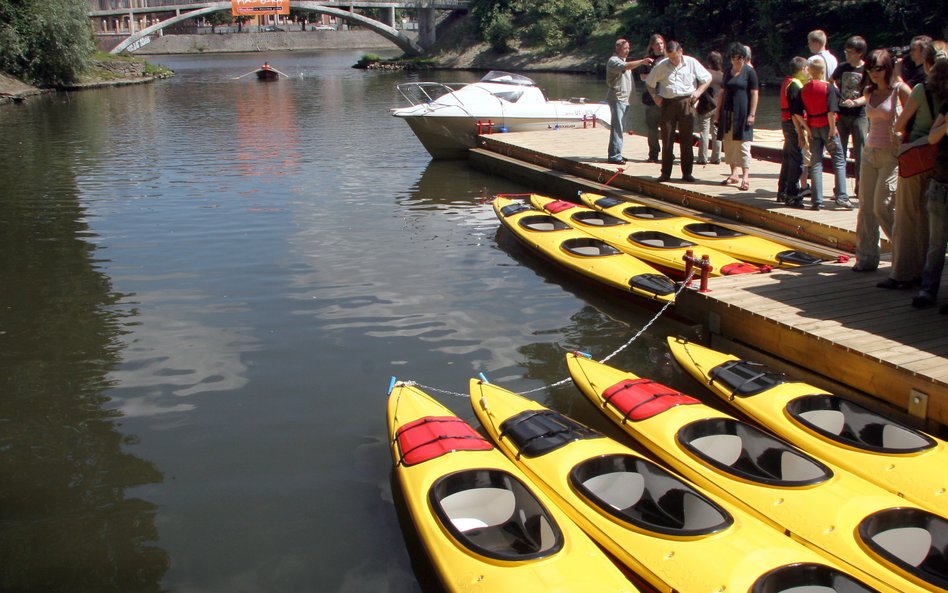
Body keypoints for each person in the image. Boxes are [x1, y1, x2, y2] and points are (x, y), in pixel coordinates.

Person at [879, 41, 946, 290]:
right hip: (940, 160)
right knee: (931, 220)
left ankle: (902, 273)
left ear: (927, 64)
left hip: (917, 157)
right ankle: (926, 273)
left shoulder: (922, 89)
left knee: (907, 216)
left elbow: (900, 125)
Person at [851, 49, 911, 272]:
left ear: (887, 68)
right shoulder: (868, 91)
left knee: (882, 206)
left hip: (891, 155)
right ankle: (866, 258)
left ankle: (906, 252)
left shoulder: (900, 90)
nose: (874, 73)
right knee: (865, 206)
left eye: (878, 68)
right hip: (870, 152)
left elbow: (914, 118)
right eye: (870, 69)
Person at [645, 40, 711, 183]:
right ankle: (665, 173)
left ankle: (687, 173)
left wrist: (698, 92)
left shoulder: (691, 62)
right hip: (668, 103)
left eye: (675, 57)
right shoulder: (662, 65)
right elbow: (649, 83)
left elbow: (707, 78)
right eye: (670, 57)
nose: (673, 60)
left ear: (681, 51)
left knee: (687, 139)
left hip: (687, 101)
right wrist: (655, 96)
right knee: (667, 138)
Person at [792, 56, 853, 210]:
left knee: (816, 163)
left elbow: (796, 113)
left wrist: (806, 127)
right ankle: (841, 196)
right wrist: (833, 130)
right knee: (838, 160)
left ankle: (816, 199)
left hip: (813, 128)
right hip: (827, 127)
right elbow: (832, 112)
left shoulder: (804, 89)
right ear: (823, 72)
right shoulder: (828, 88)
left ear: (810, 72)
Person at [717, 43, 759, 191]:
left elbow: (754, 93)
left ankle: (745, 176)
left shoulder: (749, 72)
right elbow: (722, 92)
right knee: (728, 144)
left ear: (744, 58)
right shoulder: (727, 71)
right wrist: (717, 113)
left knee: (743, 145)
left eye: (739, 58)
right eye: (733, 58)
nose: (736, 61)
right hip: (727, 113)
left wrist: (752, 113)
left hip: (743, 113)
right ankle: (734, 174)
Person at [605, 38, 654, 164]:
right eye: (625, 48)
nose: (627, 50)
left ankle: (616, 152)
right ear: (617, 48)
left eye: (628, 48)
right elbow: (626, 66)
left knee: (621, 127)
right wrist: (642, 61)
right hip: (617, 98)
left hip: (624, 99)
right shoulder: (613, 61)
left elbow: (628, 65)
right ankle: (614, 156)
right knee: (617, 127)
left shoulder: (624, 60)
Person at [832, 36, 868, 188]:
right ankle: (839, 188)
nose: (847, 54)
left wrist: (855, 102)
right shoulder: (842, 67)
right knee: (840, 152)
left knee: (860, 153)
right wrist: (835, 92)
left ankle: (860, 187)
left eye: (850, 52)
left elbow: (869, 95)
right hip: (842, 115)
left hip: (859, 116)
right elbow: (830, 80)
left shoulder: (867, 69)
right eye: (846, 51)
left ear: (860, 53)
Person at [779, 57, 809, 205]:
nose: (808, 72)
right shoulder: (795, 85)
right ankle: (792, 194)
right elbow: (795, 112)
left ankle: (782, 191)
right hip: (792, 125)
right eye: (807, 69)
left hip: (787, 123)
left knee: (787, 158)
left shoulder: (789, 81)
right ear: (802, 70)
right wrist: (802, 132)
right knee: (796, 160)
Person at [634, 34, 666, 163]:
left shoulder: (669, 59)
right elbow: (642, 77)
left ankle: (668, 153)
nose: (660, 46)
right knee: (652, 128)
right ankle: (653, 154)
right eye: (657, 44)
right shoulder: (648, 60)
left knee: (667, 128)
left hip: (667, 98)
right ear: (652, 46)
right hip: (651, 98)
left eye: (661, 43)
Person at [696, 51, 723, 166]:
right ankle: (716, 157)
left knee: (704, 132)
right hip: (717, 106)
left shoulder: (705, 73)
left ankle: (702, 158)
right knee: (716, 132)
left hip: (705, 106)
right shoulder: (722, 75)